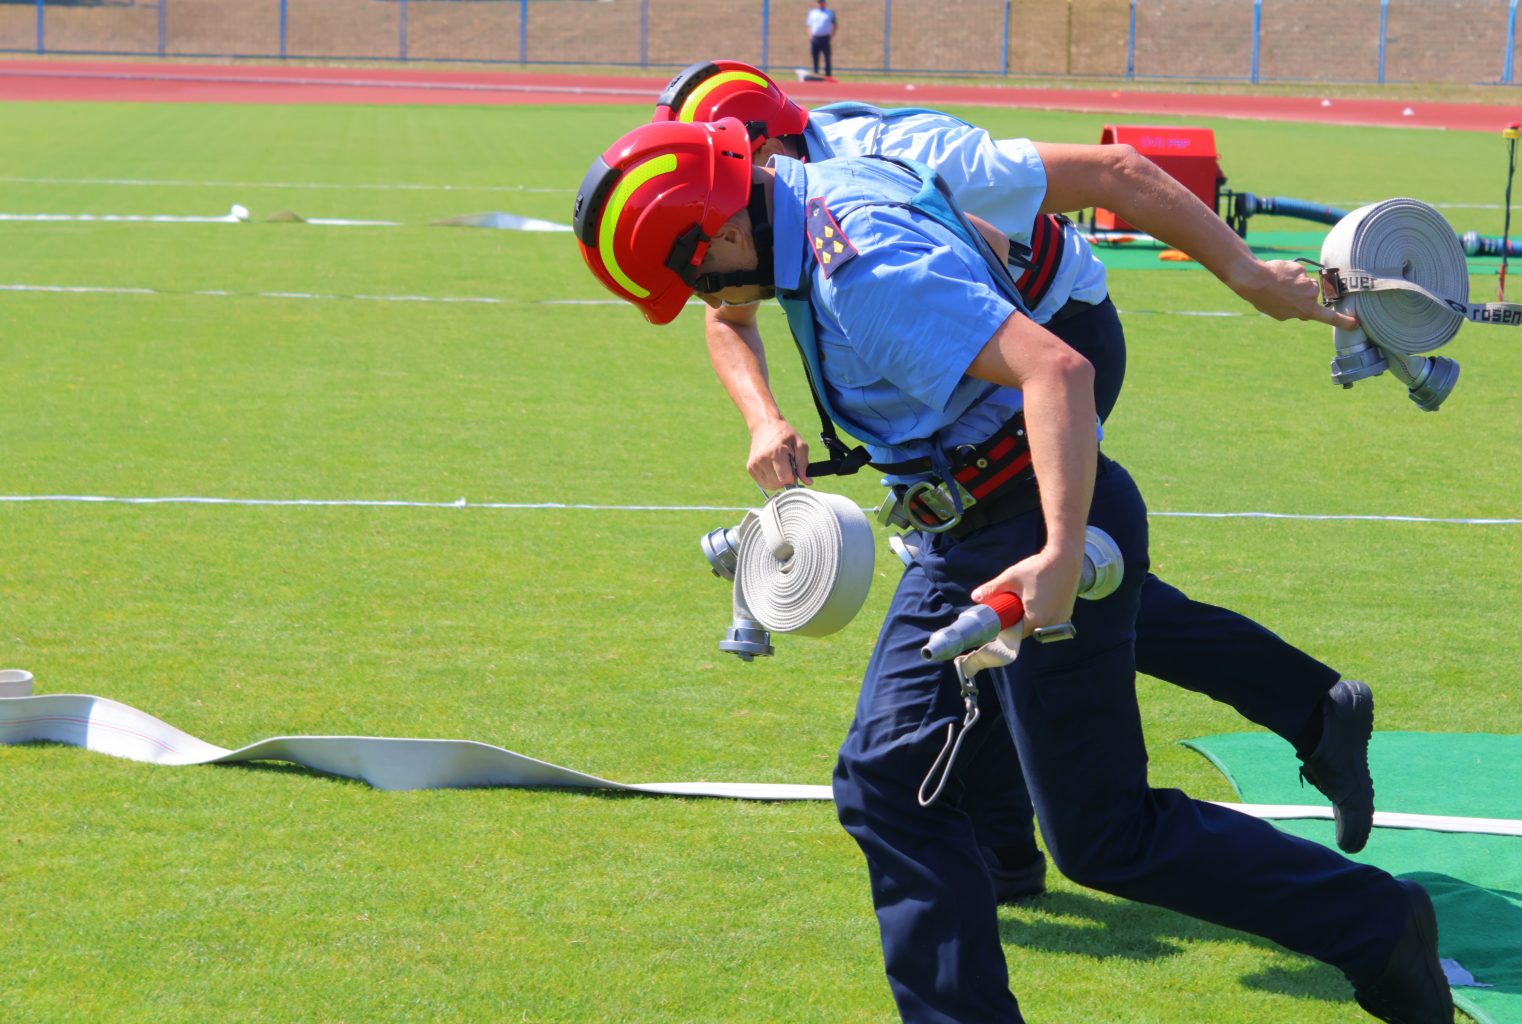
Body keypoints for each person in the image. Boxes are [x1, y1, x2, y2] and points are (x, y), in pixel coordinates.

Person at [572, 116, 1452, 1024]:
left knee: (1103, 836)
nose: (706, 295)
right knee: (886, 781)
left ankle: (1375, 924)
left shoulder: (863, 274)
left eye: (694, 275)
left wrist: (1061, 555)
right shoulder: (813, 200)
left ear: (720, 230)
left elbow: (1057, 372)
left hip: (1023, 522)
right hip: (968, 529)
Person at [651, 59, 1378, 899]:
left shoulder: (893, 156)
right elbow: (726, 315)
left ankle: (1011, 843)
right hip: (966, 369)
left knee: (1014, 570)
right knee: (1025, 584)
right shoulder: (755, 211)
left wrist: (1249, 276)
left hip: (1055, 336)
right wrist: (763, 416)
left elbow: (1118, 174)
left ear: (761, 144)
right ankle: (1297, 714)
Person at [806, 0, 837, 79]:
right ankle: (816, 73)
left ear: (825, 3)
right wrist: (810, 36)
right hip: (815, 38)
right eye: (819, 2)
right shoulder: (813, 13)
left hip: (825, 38)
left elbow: (835, 25)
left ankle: (828, 74)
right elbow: (809, 25)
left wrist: (831, 35)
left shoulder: (830, 13)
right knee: (815, 56)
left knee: (827, 56)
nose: (821, 4)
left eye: (822, 2)